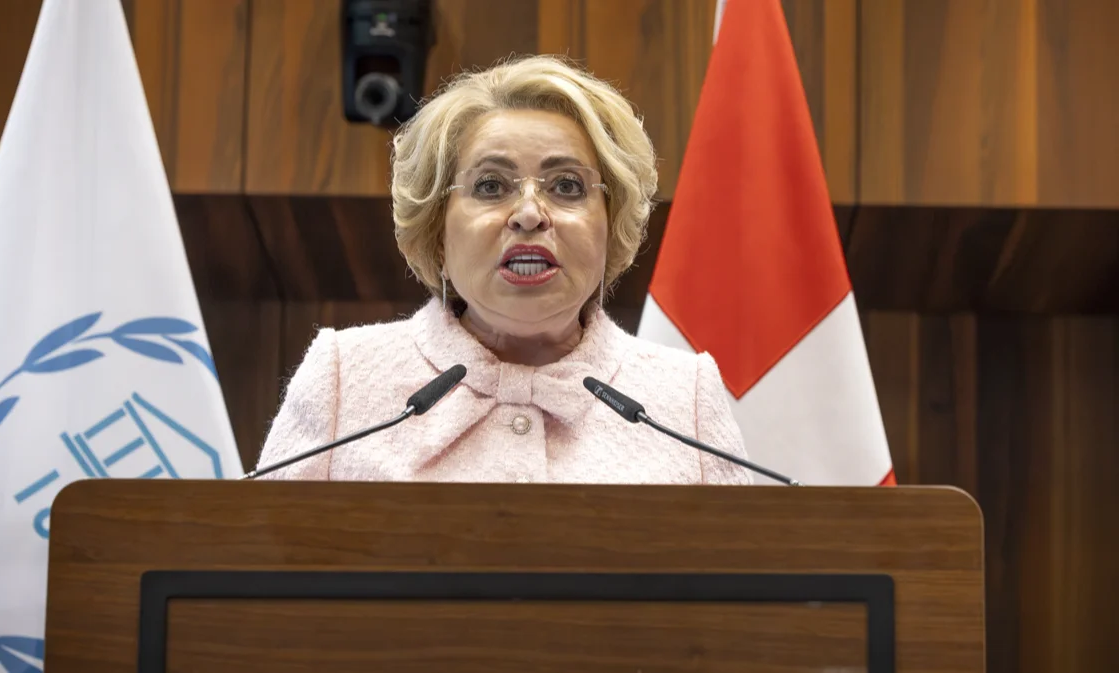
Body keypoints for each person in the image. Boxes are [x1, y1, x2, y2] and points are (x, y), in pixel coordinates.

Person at [255, 54, 751, 485]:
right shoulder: (344, 376)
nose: (530, 214)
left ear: (611, 223)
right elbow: (260, 557)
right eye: (491, 186)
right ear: (437, 230)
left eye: (567, 186)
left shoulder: (684, 397)